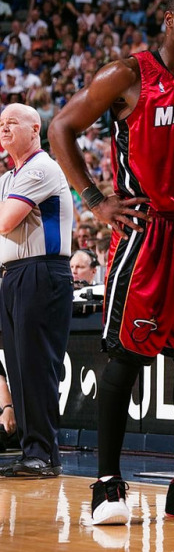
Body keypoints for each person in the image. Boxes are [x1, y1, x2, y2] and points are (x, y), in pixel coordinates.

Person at [48, 0, 174, 525]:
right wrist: (95, 201)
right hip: (148, 232)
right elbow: (60, 127)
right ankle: (107, 487)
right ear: (168, 19)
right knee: (127, 357)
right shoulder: (127, 75)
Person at [0, 103, 73, 478]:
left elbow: (6, 220)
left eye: (12, 121)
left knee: (37, 363)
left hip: (42, 271)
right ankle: (33, 450)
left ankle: (43, 453)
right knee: (19, 366)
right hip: (15, 273)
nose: (4, 127)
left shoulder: (41, 167)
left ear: (35, 128)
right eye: (1, 123)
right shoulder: (9, 177)